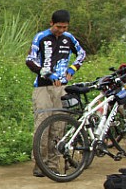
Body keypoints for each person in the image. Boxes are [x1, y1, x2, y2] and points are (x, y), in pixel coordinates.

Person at [25, 10, 86, 177]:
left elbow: (82, 54)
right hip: (43, 87)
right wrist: (47, 74)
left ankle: (53, 164)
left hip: (62, 88)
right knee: (42, 125)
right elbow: (30, 60)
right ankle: (40, 164)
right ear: (51, 23)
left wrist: (73, 68)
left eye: (64, 27)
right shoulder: (41, 37)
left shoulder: (69, 38)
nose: (61, 30)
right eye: (58, 27)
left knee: (58, 127)